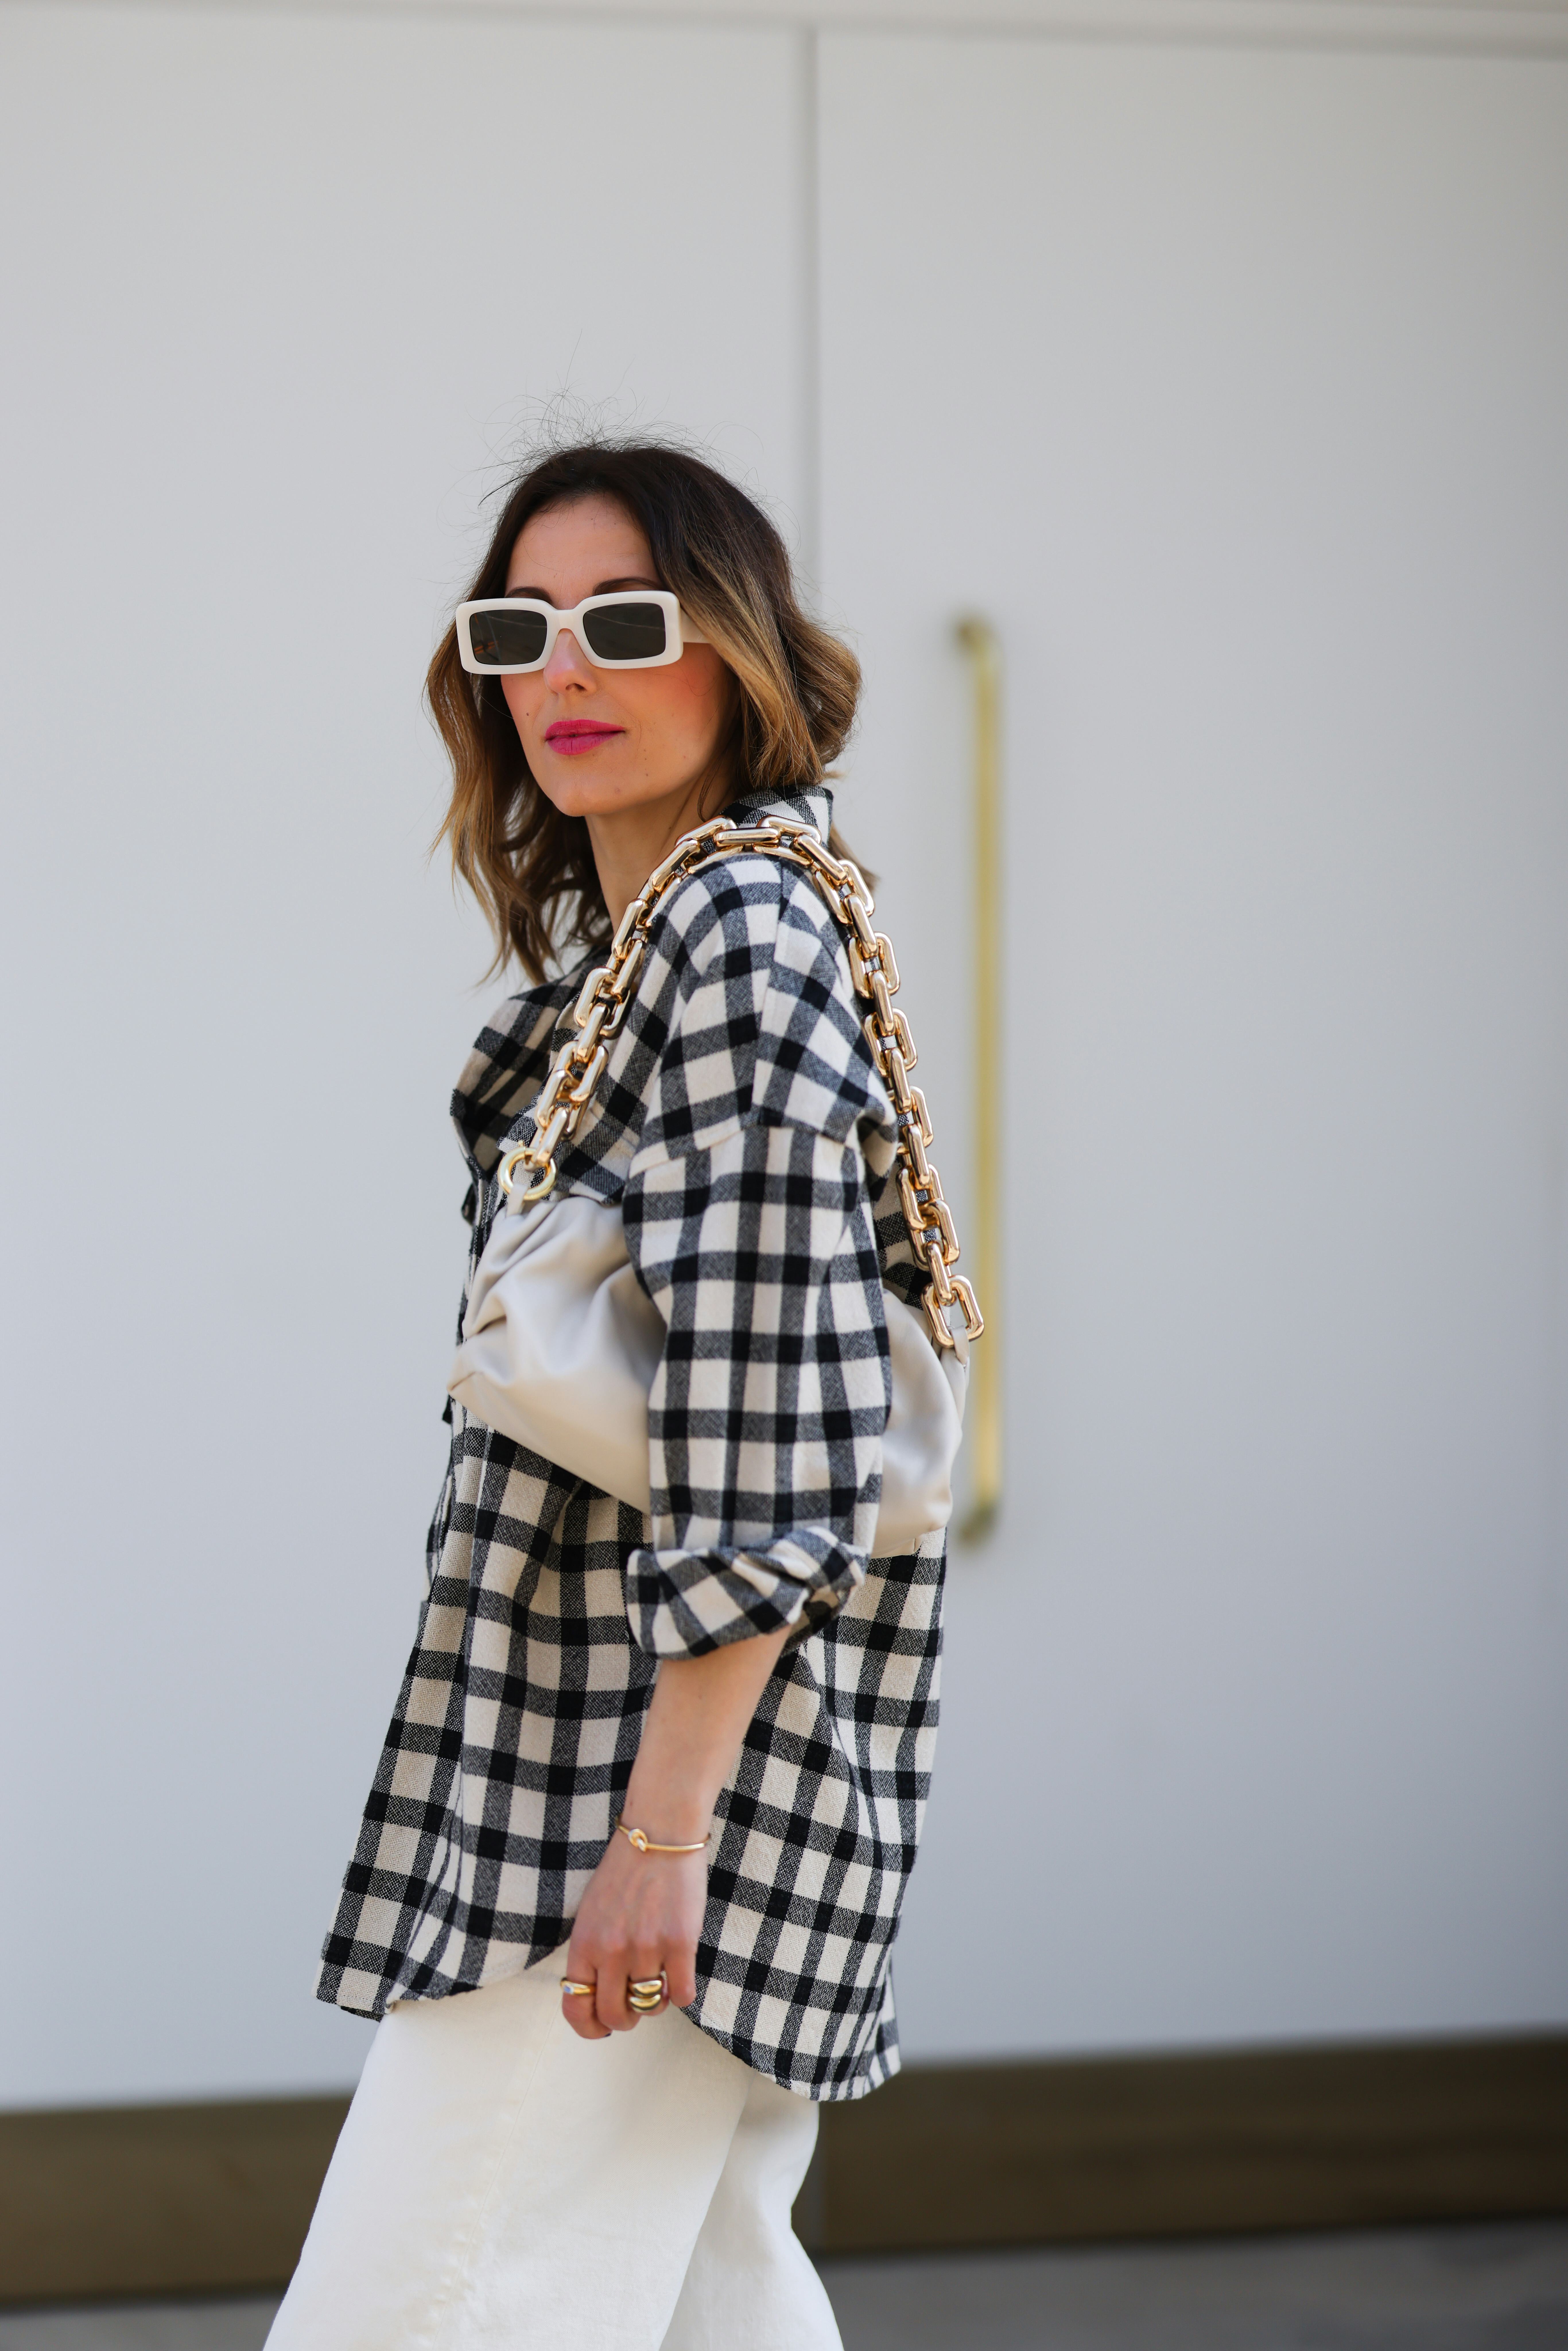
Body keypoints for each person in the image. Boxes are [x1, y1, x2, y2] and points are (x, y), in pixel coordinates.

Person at [266, 441, 961, 2351]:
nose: (564, 668)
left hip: (616, 1796)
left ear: (734, 652)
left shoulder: (738, 936)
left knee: (416, 2310)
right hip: (665, 1776)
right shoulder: (650, 945)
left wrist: (659, 1840)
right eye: (519, 628)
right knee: (705, 2309)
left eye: (626, 622)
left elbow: (770, 1410)